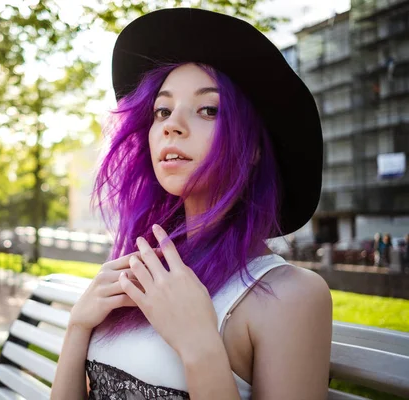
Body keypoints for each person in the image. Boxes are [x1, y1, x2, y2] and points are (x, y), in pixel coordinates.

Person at [51, 8, 332, 400]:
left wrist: (200, 346)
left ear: (252, 148)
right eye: (162, 110)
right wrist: (78, 327)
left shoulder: (290, 295)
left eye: (208, 110)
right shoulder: (142, 269)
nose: (171, 124)